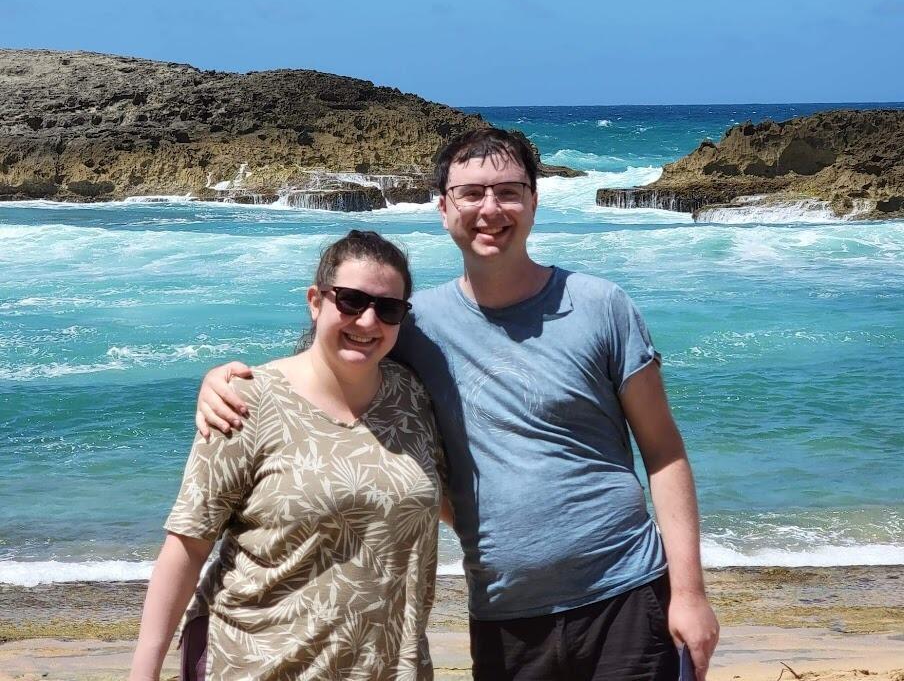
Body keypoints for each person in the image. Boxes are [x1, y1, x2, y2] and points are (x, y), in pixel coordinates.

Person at [197, 128, 720, 681]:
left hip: (626, 594)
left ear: (534, 202)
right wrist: (227, 380)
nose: (490, 209)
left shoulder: (602, 306)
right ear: (444, 207)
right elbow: (328, 372)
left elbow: (663, 452)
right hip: (503, 611)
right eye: (471, 193)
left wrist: (688, 593)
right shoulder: (413, 324)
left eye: (508, 191)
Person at [130, 230, 445, 681]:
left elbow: (454, 502)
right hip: (256, 664)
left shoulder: (412, 397)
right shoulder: (246, 401)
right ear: (316, 301)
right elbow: (187, 543)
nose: (368, 320)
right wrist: (144, 672)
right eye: (351, 301)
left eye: (388, 308)